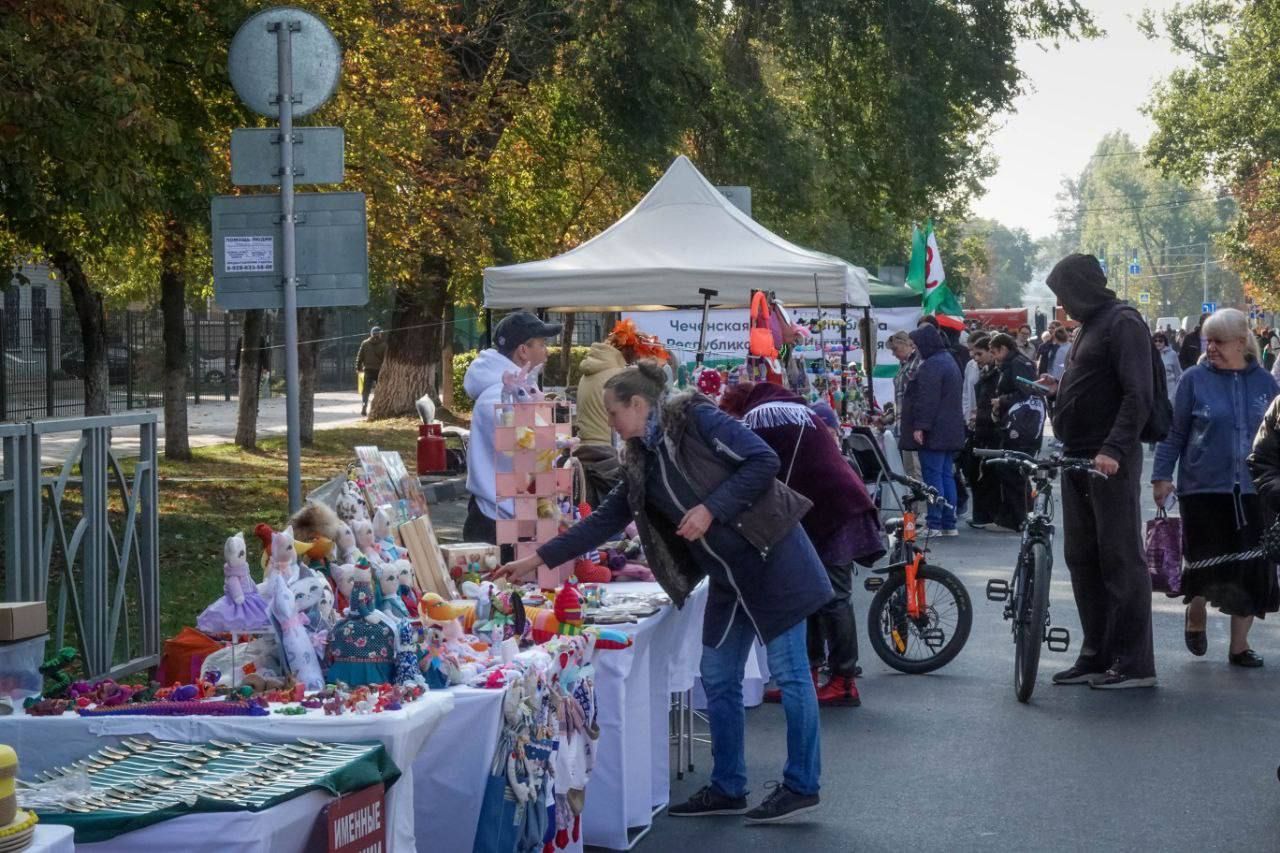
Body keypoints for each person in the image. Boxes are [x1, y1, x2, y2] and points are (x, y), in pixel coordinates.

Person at [496, 361, 832, 823]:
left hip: (772, 559)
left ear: (638, 404)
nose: (610, 425)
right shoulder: (640, 457)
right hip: (728, 576)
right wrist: (538, 559)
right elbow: (605, 520)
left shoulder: (697, 419)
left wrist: (711, 510)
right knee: (715, 676)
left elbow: (764, 461)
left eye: (613, 414)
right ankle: (728, 786)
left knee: (792, 675)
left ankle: (801, 784)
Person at [720, 384, 885, 708]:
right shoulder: (794, 411)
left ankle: (844, 680)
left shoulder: (759, 417)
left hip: (833, 511)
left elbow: (749, 470)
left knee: (834, 597)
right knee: (810, 596)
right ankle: (805, 676)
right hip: (833, 505)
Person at [1041, 254, 1157, 690]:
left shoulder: (1122, 321)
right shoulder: (1090, 325)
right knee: (1083, 558)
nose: (1062, 305)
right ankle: (1097, 654)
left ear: (1082, 287)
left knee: (1120, 559)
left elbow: (1138, 394)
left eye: (1064, 294)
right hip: (1078, 455)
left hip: (1109, 461)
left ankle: (1135, 663)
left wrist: (1113, 448)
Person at [1155, 309, 1279, 666]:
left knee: (1253, 568)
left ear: (1241, 343)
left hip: (1257, 491)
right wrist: (1161, 476)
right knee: (1204, 564)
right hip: (1203, 490)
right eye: (1208, 341)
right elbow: (1175, 433)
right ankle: (1196, 612)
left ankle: (1239, 647)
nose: (1211, 348)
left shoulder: (1266, 385)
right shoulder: (1194, 380)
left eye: (1219, 342)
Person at [461, 312, 562, 547]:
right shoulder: (496, 398)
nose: (546, 351)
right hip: (495, 520)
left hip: (517, 515)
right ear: (523, 351)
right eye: (542, 344)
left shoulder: (519, 390)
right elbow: (522, 448)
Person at [575, 320, 669, 506]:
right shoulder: (616, 377)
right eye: (637, 355)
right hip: (606, 453)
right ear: (629, 351)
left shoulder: (591, 371)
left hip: (587, 450)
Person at [899, 324, 966, 535]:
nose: (915, 348)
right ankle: (949, 522)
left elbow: (927, 399)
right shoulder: (949, 361)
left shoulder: (931, 366)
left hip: (935, 431)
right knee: (946, 475)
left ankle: (934, 522)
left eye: (916, 344)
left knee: (932, 477)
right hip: (951, 429)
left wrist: (920, 426)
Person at [986, 332, 1042, 530]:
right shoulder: (1013, 363)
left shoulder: (1017, 364)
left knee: (1014, 470)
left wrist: (1002, 400)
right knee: (1008, 468)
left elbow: (1026, 391)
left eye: (994, 352)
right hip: (1015, 423)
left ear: (1004, 348)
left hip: (1021, 427)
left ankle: (1021, 518)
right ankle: (1013, 517)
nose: (993, 357)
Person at [966, 336, 1003, 529]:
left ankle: (990, 515)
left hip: (991, 429)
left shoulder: (998, 373)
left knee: (988, 474)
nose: (975, 358)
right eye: (973, 354)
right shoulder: (981, 370)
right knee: (978, 473)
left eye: (979, 353)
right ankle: (983, 515)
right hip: (980, 425)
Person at [887, 330, 921, 479]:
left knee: (916, 470)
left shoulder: (917, 363)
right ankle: (915, 501)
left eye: (895, 349)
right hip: (904, 425)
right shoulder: (905, 365)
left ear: (907, 345)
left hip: (913, 424)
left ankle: (922, 503)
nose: (894, 354)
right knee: (909, 471)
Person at [355, 326, 387, 417]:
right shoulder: (384, 345)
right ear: (379, 334)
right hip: (379, 371)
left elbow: (359, 357)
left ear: (371, 334)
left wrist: (358, 368)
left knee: (366, 391)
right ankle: (379, 407)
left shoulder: (365, 343)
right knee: (380, 390)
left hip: (368, 370)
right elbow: (386, 360)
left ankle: (364, 406)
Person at [1152, 331, 1182, 404]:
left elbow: (1179, 374)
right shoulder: (1150, 354)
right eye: (1155, 341)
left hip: (1170, 392)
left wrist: (1176, 391)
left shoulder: (1172, 354)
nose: (1158, 343)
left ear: (1165, 342)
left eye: (1160, 341)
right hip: (1155, 393)